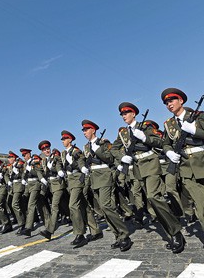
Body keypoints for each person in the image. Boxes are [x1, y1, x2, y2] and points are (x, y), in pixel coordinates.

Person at [112, 102, 184, 254]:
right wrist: (122, 158)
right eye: (122, 114)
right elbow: (114, 149)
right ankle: (172, 231)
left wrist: (144, 137)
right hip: (138, 168)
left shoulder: (144, 126)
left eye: (126, 113)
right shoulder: (123, 133)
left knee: (153, 196)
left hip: (150, 163)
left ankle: (176, 232)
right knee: (152, 201)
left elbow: (160, 142)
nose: (124, 116)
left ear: (134, 114)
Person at [162, 88, 204, 249]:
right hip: (187, 169)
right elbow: (165, 143)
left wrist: (195, 130)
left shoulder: (198, 116)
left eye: (171, 100)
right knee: (201, 206)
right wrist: (169, 152)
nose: (169, 104)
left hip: (202, 161)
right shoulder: (169, 125)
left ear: (181, 101)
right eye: (166, 103)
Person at [81, 119, 132, 252]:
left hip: (104, 176)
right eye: (83, 130)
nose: (84, 132)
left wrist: (98, 150)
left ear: (93, 130)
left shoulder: (104, 143)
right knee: (103, 210)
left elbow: (109, 159)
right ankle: (118, 236)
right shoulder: (86, 147)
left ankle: (124, 234)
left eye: (86, 130)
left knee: (106, 206)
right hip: (94, 178)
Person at [60, 130, 102, 247]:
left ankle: (80, 234)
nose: (63, 141)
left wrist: (81, 167)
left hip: (78, 179)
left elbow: (81, 161)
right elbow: (59, 163)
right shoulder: (63, 154)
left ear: (70, 140)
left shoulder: (76, 151)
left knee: (72, 205)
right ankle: (96, 230)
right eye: (62, 139)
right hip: (70, 181)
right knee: (85, 206)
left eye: (65, 139)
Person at [38, 140, 66, 241]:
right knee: (66, 206)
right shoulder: (44, 161)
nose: (47, 151)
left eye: (48, 149)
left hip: (58, 184)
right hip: (51, 186)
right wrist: (41, 177)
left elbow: (59, 166)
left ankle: (49, 231)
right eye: (44, 150)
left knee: (54, 206)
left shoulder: (56, 157)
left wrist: (55, 170)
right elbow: (39, 170)